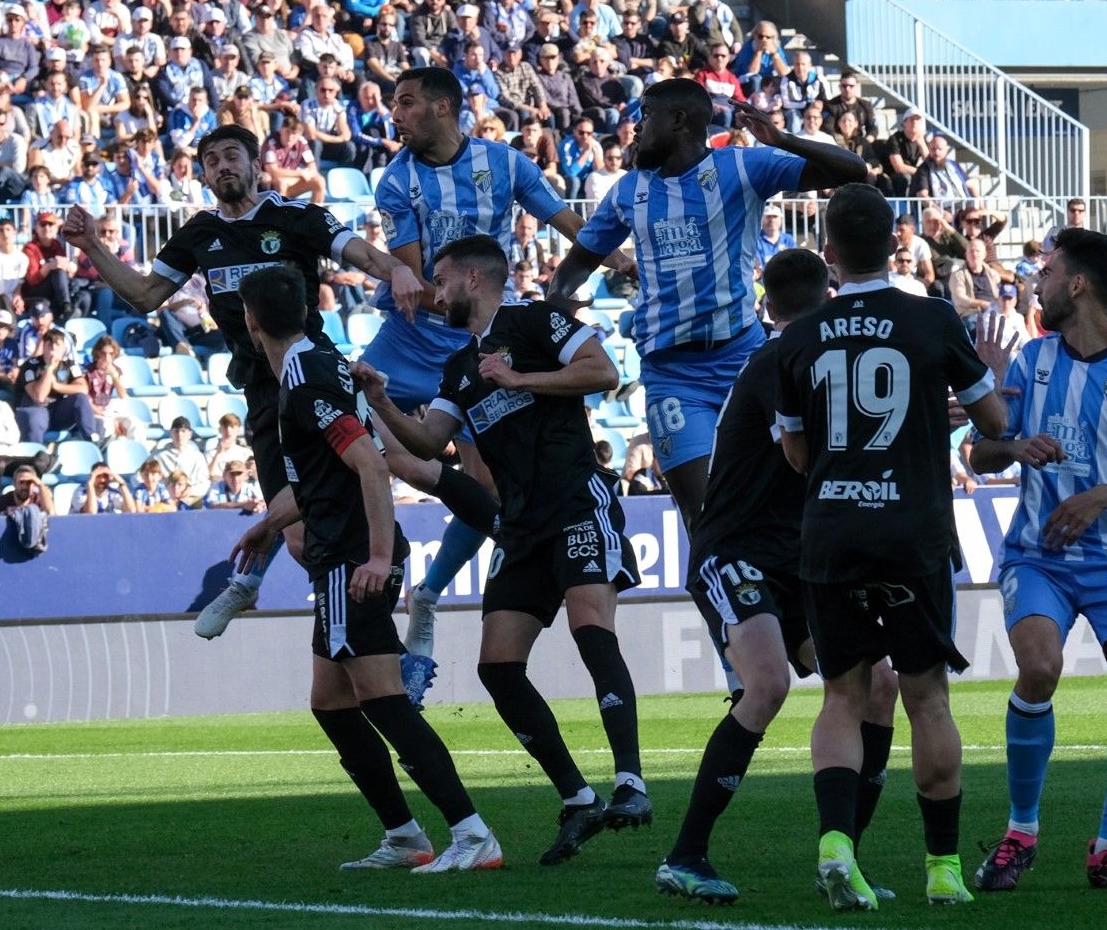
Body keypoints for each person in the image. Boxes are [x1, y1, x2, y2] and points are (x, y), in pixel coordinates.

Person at [62, 123, 423, 639]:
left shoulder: (295, 218)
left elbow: (361, 255)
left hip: (315, 377)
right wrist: (92, 246)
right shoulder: (199, 234)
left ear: (256, 164)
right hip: (263, 394)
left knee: (397, 468)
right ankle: (330, 613)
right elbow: (144, 296)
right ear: (204, 174)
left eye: (233, 155)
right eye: (212, 160)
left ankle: (397, 608)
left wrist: (399, 272)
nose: (223, 166)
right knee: (301, 539)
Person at [359, 234, 650, 865]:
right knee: (497, 666)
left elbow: (604, 372)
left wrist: (520, 376)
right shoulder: (459, 368)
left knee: (590, 625)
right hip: (522, 527)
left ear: (470, 278)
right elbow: (430, 439)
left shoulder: (537, 320)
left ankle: (631, 782)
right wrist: (379, 402)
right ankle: (577, 798)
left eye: (439, 279)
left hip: (577, 501)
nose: (435, 292)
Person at [223, 263, 502, 873]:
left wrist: (378, 556)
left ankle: (472, 833)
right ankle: (404, 835)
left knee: (383, 700)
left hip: (352, 559)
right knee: (332, 703)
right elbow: (326, 475)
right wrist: (268, 525)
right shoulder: (315, 367)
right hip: (337, 557)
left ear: (249, 322)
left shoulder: (307, 379)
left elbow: (373, 467)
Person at [774, 185, 1007, 908]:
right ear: (895, 242)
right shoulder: (933, 318)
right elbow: (993, 424)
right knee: (927, 697)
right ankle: (943, 869)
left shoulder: (800, 336)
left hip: (834, 532)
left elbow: (795, 456)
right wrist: (985, 378)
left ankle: (838, 844)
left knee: (843, 695)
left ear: (831, 254)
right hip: (914, 531)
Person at [658, 248, 901, 904]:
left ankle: (844, 856)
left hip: (801, 560)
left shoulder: (807, 363)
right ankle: (685, 856)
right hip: (734, 550)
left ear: (766, 305)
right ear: (830, 299)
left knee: (877, 683)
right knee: (765, 685)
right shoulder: (780, 364)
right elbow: (828, 455)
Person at [967, 227, 1107, 894]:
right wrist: (1014, 448)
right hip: (1037, 555)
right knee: (1039, 666)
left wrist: (1102, 497)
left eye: (1047, 271)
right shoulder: (1031, 361)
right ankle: (1019, 834)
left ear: (1077, 285)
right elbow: (979, 455)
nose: (1036, 283)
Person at [368, 67, 608, 673]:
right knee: (341, 428)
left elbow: (569, 226)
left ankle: (426, 595)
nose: (393, 115)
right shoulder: (396, 181)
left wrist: (615, 255)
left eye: (405, 103)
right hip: (411, 340)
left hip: (473, 346)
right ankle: (261, 563)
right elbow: (420, 286)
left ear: (443, 107)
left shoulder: (505, 164)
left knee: (490, 492)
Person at [549, 81, 866, 537]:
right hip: (672, 375)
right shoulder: (627, 192)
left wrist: (783, 140)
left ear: (678, 120)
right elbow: (571, 270)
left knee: (795, 495)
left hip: (745, 362)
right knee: (707, 522)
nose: (635, 128)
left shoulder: (742, 167)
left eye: (645, 115)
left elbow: (852, 169)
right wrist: (558, 326)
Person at [74, 461, 139, 514]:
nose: (102, 480)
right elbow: (90, 513)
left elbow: (130, 511)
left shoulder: (112, 492)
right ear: (92, 477)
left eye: (105, 476)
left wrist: (122, 483)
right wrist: (90, 485)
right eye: (98, 476)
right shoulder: (81, 492)